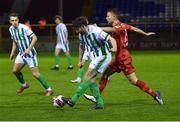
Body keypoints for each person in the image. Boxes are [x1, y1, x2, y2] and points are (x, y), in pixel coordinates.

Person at [84, 8, 164, 105]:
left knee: (134, 81)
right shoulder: (124, 25)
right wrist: (145, 34)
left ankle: (155, 95)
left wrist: (98, 28)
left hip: (123, 58)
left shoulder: (118, 26)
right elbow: (134, 28)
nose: (106, 18)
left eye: (108, 16)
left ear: (114, 16)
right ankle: (97, 97)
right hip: (118, 58)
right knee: (105, 74)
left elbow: (112, 29)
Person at [61, 16, 117, 109]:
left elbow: (109, 38)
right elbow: (84, 47)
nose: (76, 31)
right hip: (95, 57)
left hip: (104, 56)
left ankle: (73, 100)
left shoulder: (96, 31)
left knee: (87, 76)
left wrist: (113, 48)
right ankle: (99, 103)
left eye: (77, 29)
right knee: (91, 80)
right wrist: (82, 60)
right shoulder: (81, 35)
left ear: (83, 26)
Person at [9, 13, 53, 96]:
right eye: (12, 20)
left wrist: (28, 49)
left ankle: (49, 89)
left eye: (16, 20)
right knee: (15, 71)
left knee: (35, 74)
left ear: (18, 20)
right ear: (10, 21)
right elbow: (14, 41)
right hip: (21, 54)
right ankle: (24, 85)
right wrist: (12, 52)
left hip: (30, 54)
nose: (14, 22)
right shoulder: (11, 29)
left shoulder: (24, 28)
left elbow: (35, 38)